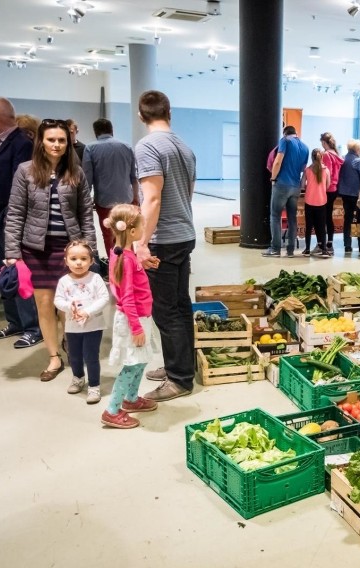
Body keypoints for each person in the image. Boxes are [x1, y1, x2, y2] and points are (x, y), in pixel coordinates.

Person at [4, 118, 97, 380]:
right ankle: (54, 357)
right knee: (44, 304)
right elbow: (15, 213)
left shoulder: (76, 173)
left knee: (68, 304)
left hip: (70, 250)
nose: (56, 145)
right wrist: (12, 252)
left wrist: (90, 250)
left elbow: (85, 215)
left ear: (68, 143)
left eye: (61, 140)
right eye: (51, 139)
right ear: (41, 142)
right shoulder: (26, 171)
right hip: (36, 249)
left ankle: (70, 341)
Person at [132, 90, 197, 401]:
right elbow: (189, 192)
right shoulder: (184, 146)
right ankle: (182, 365)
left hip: (164, 240)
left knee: (165, 310)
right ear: (169, 113)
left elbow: (152, 198)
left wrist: (141, 241)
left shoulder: (147, 147)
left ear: (141, 116)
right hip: (184, 234)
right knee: (181, 306)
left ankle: (180, 378)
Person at [0, 97, 41, 347]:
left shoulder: (20, 143)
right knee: (3, 273)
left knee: (18, 274)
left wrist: (10, 216)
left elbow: (21, 186)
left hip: (9, 220)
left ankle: (32, 326)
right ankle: (15, 322)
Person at [102, 204, 161, 428]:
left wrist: (141, 264)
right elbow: (126, 298)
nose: (145, 229)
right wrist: (136, 328)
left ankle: (132, 399)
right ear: (133, 232)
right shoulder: (125, 259)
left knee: (141, 360)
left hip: (139, 317)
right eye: (143, 226)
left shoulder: (122, 254)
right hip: (133, 320)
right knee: (132, 365)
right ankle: (112, 410)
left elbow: (127, 280)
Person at [54, 240, 109, 403]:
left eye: (84, 259)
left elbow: (104, 298)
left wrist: (88, 311)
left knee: (91, 356)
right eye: (74, 258)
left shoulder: (96, 278)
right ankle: (78, 377)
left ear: (91, 261)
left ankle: (94, 385)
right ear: (66, 261)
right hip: (72, 327)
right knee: (75, 356)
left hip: (93, 326)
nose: (78, 262)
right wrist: (68, 307)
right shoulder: (64, 281)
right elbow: (57, 300)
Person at [82, 118, 140, 266]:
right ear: (111, 130)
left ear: (95, 132)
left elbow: (87, 179)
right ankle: (130, 265)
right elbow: (134, 176)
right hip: (126, 200)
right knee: (126, 234)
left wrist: (85, 201)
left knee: (108, 235)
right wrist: (135, 198)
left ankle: (115, 267)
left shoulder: (90, 148)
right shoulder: (126, 147)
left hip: (104, 201)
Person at [264, 125, 308, 257]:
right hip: (295, 186)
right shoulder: (305, 147)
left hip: (282, 184)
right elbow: (302, 169)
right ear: (296, 133)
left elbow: (278, 161)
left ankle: (275, 249)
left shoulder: (285, 141)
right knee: (292, 218)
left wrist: (273, 177)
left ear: (285, 133)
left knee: (275, 216)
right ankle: (290, 250)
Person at [337, 139, 360, 254]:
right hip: (356, 193)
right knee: (359, 219)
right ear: (357, 149)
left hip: (344, 193)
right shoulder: (358, 161)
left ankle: (347, 245)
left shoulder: (343, 158)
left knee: (347, 219)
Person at [302, 148, 331, 257]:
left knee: (309, 226)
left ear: (312, 157)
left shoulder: (307, 170)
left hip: (309, 201)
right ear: (321, 157)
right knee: (322, 226)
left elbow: (302, 184)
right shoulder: (326, 170)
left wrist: (308, 186)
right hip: (322, 201)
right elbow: (328, 185)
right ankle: (324, 249)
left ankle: (307, 249)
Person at [319, 132, 344, 254]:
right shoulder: (337, 155)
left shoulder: (326, 155)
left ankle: (322, 244)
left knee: (323, 217)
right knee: (329, 216)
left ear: (324, 143)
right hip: (335, 189)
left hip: (327, 189)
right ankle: (330, 242)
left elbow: (326, 173)